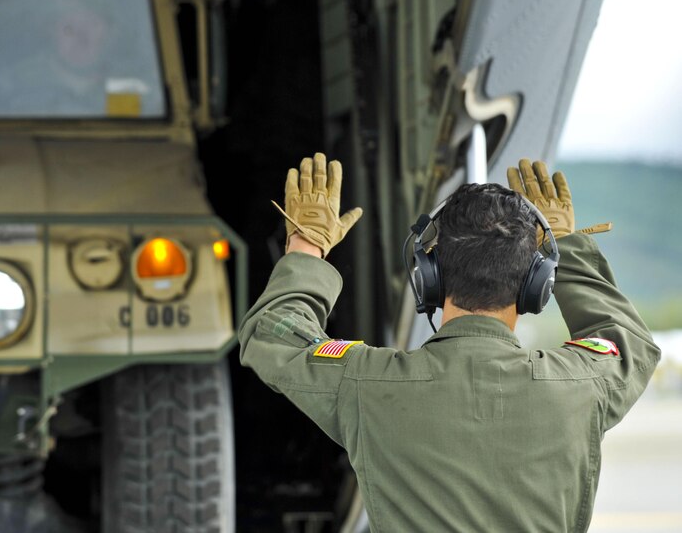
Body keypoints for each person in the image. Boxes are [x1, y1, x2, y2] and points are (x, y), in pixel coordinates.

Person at [238, 154, 661, 531]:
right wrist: (567, 246)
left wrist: (307, 247)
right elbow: (631, 345)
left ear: (428, 278)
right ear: (536, 285)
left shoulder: (366, 383)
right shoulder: (581, 385)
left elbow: (273, 334)